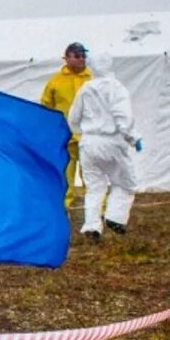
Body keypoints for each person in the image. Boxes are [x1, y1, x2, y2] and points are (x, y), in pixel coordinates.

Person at [66, 50, 139, 241]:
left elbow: (73, 117)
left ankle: (91, 225)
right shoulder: (117, 88)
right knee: (125, 183)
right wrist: (132, 138)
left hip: (88, 144)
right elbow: (123, 117)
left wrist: (83, 133)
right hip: (112, 142)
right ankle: (115, 217)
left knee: (94, 187)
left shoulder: (85, 89)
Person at [40, 41, 94, 208]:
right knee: (65, 175)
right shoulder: (55, 82)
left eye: (83, 56)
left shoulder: (93, 79)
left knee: (92, 175)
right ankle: (64, 205)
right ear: (66, 58)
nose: (81, 59)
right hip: (66, 137)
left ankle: (97, 207)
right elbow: (46, 107)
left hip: (89, 135)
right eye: (77, 56)